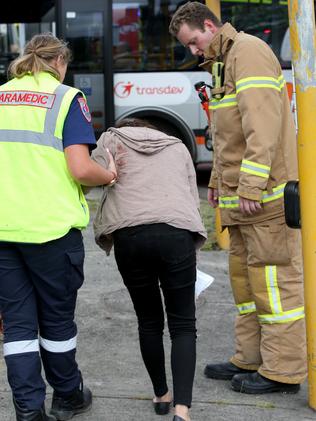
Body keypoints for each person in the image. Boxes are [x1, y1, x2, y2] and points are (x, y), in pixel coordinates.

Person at [169, 2, 306, 394]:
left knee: (275, 285)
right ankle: (250, 358)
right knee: (247, 287)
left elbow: (261, 127)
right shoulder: (222, 61)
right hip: (241, 202)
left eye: (194, 41)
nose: (193, 51)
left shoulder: (247, 52)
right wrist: (216, 181)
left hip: (264, 200)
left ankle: (282, 372)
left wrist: (248, 186)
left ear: (210, 26)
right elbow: (229, 135)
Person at [0, 33, 117, 421]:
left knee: (17, 325)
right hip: (50, 231)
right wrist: (109, 175)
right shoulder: (67, 98)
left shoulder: (1, 95)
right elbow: (81, 168)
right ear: (60, 62)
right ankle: (67, 395)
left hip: (4, 230)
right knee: (56, 320)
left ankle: (29, 412)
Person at [91, 118, 207, 421]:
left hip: (131, 237)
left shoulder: (111, 140)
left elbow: (89, 176)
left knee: (149, 321)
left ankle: (161, 395)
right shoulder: (178, 146)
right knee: (183, 325)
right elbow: (191, 199)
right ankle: (182, 409)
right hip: (177, 235)